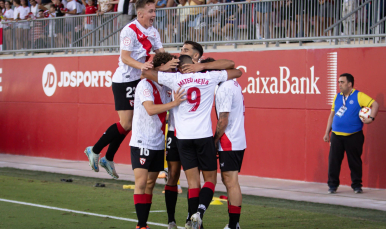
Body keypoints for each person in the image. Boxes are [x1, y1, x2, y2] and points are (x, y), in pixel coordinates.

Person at [142, 55, 242, 229]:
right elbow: (237, 71)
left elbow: (145, 72)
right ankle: (199, 213)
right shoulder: (208, 76)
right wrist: (202, 68)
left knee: (193, 183)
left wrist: (166, 67)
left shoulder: (175, 78)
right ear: (192, 64)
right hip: (203, 136)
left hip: (183, 138)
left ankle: (192, 220)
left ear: (179, 67)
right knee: (210, 180)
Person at [84, 0, 178, 179]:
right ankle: (94, 150)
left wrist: (171, 64)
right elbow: (125, 58)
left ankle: (108, 158)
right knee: (126, 124)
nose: (154, 15)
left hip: (139, 79)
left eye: (154, 11)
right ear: (140, 14)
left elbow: (161, 53)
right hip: (125, 80)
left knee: (130, 124)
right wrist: (143, 66)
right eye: (151, 11)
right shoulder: (129, 30)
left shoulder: (153, 32)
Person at [130, 52, 185, 229]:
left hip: (158, 141)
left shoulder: (166, 88)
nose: (171, 72)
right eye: (169, 68)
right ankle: (141, 225)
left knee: (150, 183)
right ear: (159, 68)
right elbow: (151, 109)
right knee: (140, 182)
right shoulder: (145, 85)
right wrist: (173, 104)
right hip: (141, 141)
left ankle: (143, 223)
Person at [323, 73, 379, 194]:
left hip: (354, 136)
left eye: (342, 82)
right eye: (338, 82)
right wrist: (327, 132)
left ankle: (357, 186)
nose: (339, 84)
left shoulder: (359, 96)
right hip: (336, 135)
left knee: (354, 162)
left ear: (349, 84)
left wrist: (371, 118)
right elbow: (332, 115)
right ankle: (332, 185)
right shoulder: (337, 97)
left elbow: (375, 104)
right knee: (333, 161)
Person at [212, 58, 246, 229]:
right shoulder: (233, 84)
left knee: (231, 181)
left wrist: (215, 140)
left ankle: (233, 225)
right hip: (236, 138)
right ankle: (234, 224)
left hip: (229, 140)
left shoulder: (224, 87)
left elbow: (223, 119)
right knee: (230, 181)